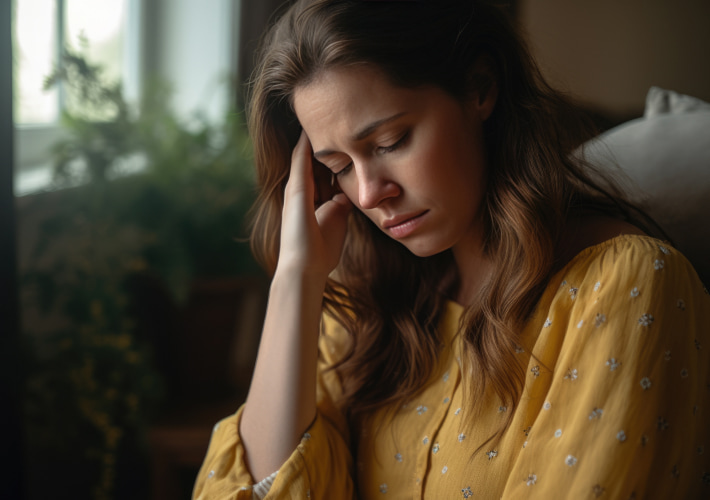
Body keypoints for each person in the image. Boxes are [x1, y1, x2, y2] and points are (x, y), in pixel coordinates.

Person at [193, 0, 710, 498]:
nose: (370, 193)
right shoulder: (362, 304)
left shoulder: (628, 285)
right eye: (339, 167)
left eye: (391, 141)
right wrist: (296, 282)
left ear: (480, 88)